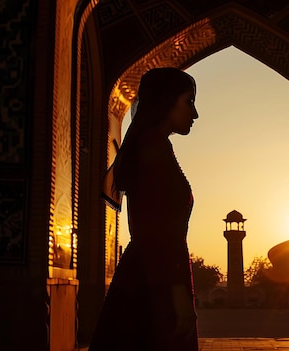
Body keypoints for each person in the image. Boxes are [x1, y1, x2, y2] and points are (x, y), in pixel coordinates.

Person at [90, 67, 199, 351]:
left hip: (147, 275)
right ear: (165, 101)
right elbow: (156, 230)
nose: (195, 113)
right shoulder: (152, 148)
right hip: (156, 282)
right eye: (188, 102)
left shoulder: (155, 145)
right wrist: (176, 294)